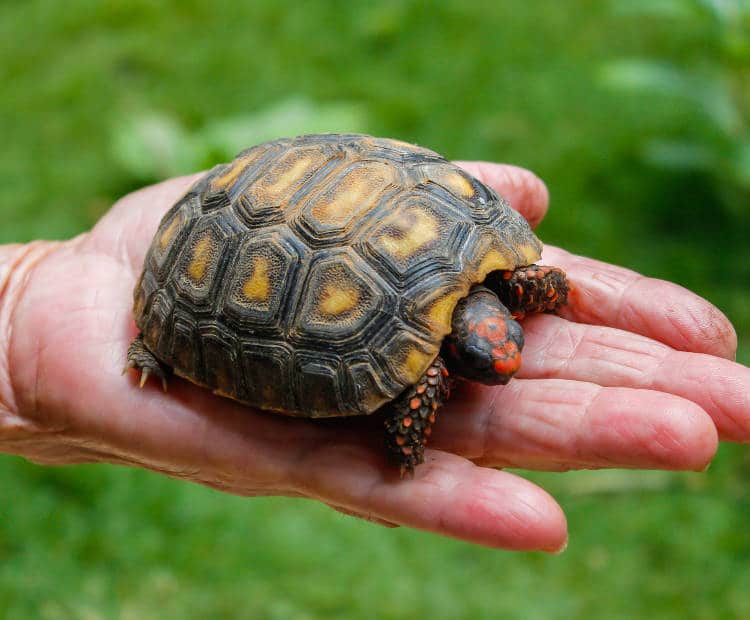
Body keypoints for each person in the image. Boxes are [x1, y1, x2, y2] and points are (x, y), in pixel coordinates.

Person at [0, 162, 747, 553]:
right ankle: (162, 341)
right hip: (239, 236)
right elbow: (419, 382)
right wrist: (407, 436)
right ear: (458, 345)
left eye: (499, 356)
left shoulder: (503, 283)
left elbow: (529, 281)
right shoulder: (430, 362)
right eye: (486, 360)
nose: (500, 366)